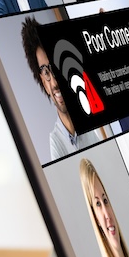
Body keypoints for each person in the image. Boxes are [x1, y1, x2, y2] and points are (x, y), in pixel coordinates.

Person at [20, 16, 92, 161]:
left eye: (54, 68)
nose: (54, 82)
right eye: (46, 72)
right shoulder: (56, 144)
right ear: (44, 83)